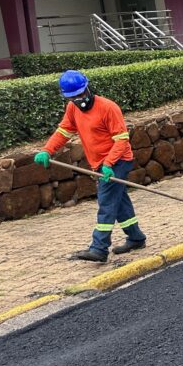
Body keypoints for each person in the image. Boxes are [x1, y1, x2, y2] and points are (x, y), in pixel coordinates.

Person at [33, 70, 146, 262]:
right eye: (73, 97)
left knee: (107, 202)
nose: (79, 99)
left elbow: (122, 140)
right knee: (119, 202)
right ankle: (136, 238)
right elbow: (64, 131)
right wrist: (47, 150)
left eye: (80, 94)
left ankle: (99, 248)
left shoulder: (108, 108)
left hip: (118, 161)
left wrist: (109, 164)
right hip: (100, 163)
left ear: (88, 88)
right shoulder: (72, 108)